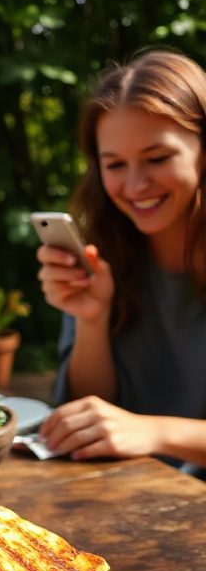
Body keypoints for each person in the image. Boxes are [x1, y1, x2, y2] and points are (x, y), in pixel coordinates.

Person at [35, 49, 206, 476]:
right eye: (114, 164)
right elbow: (90, 416)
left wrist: (153, 432)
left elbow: (134, 431)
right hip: (130, 498)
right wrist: (92, 318)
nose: (135, 185)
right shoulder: (107, 251)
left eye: (158, 158)